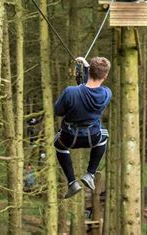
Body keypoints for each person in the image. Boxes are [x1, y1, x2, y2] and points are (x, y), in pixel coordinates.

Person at [54, 56, 112, 199]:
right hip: (92, 137)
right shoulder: (106, 94)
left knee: (58, 144)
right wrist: (86, 67)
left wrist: (87, 69)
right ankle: (90, 174)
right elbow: (91, 86)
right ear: (105, 76)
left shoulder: (70, 92)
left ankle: (72, 182)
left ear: (90, 71)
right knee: (104, 135)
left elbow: (58, 111)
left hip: (69, 137)